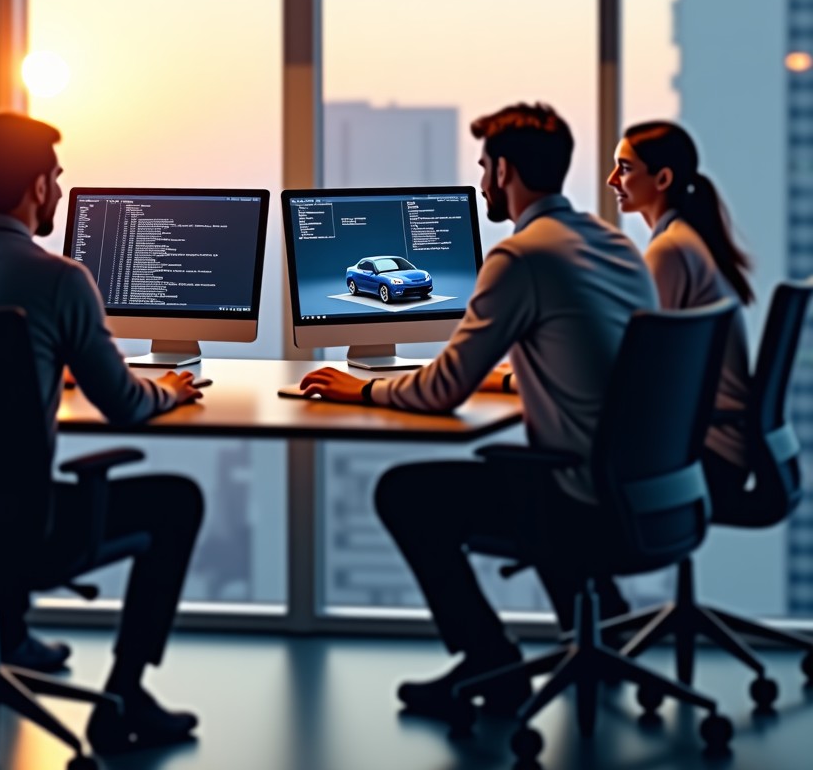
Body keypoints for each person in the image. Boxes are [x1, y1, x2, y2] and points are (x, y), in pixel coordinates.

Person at [299, 102, 657, 717]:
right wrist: (517, 379)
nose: (482, 179)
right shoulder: (611, 243)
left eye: (485, 166)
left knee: (405, 493)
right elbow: (601, 362)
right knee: (525, 469)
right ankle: (595, 624)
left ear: (505, 172)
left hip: (584, 497)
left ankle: (490, 660)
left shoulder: (522, 257)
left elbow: (441, 392)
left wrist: (359, 389)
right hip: (649, 487)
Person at [0, 112, 204, 752]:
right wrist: (166, 391)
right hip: (20, 528)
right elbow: (120, 404)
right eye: (57, 179)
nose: (59, 194)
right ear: (37, 188)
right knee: (178, 500)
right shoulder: (61, 280)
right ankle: (123, 698)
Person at [607, 120, 753, 514]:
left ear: (663, 178)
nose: (611, 180)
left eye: (625, 168)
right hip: (720, 444)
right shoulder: (686, 241)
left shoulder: (670, 251)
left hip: (707, 451)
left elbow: (640, 365)